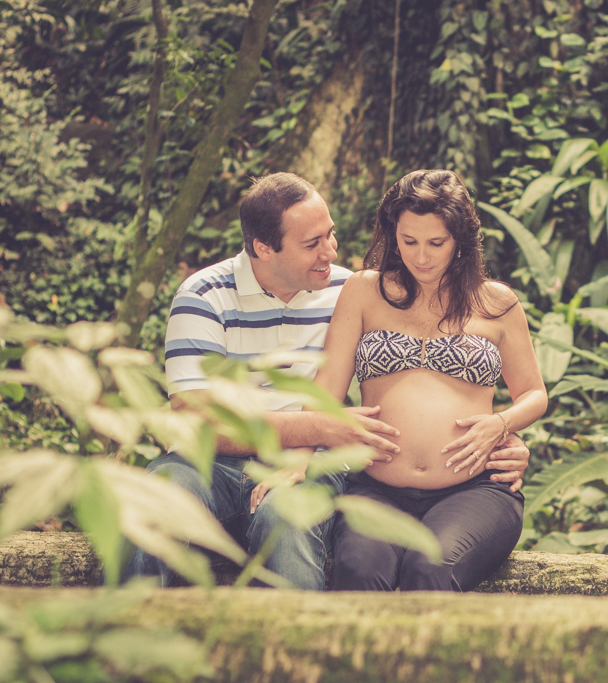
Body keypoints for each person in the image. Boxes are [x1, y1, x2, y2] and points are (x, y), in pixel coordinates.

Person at [125, 172, 531, 590]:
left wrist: (505, 431)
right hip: (210, 462)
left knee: (288, 515)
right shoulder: (205, 296)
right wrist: (318, 427)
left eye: (330, 235)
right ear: (264, 249)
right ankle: (116, 639)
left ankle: (297, 648)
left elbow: (492, 382)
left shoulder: (348, 289)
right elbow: (195, 421)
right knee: (156, 497)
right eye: (312, 243)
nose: (331, 251)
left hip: (310, 468)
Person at [315, 169, 548, 592]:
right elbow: (323, 394)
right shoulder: (364, 291)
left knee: (430, 569)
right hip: (375, 487)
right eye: (409, 241)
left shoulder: (496, 303)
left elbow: (534, 393)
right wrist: (338, 424)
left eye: (435, 243)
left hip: (475, 490)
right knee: (359, 573)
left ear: (459, 239)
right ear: (392, 236)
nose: (421, 257)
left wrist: (502, 424)